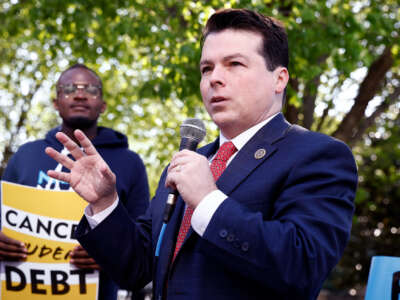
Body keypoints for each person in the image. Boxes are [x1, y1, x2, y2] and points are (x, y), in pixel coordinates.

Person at [45, 9, 358, 300]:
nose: (214, 78)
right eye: (206, 68)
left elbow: (304, 266)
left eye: (234, 64)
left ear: (279, 79)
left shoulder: (319, 155)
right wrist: (104, 204)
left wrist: (208, 201)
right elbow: (137, 270)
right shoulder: (187, 163)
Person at [0, 64, 150, 300]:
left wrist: (108, 252)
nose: (80, 94)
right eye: (69, 88)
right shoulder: (24, 155)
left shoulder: (130, 163)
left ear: (103, 105)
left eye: (90, 89)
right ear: (55, 102)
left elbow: (142, 242)